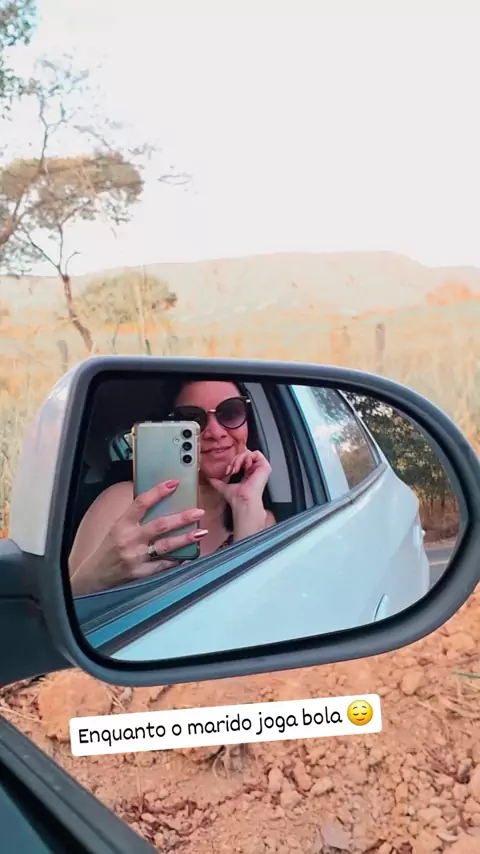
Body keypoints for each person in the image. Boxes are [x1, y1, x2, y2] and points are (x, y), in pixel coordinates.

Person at [69, 379, 276, 595]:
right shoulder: (123, 503)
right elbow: (65, 605)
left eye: (231, 413)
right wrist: (99, 576)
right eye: (192, 419)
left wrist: (246, 506)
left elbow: (254, 604)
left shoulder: (260, 517)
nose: (215, 432)